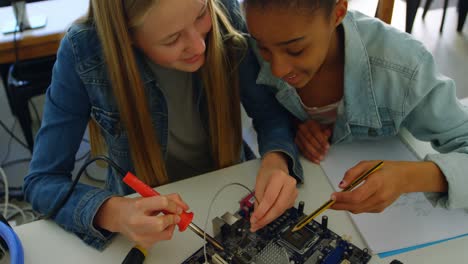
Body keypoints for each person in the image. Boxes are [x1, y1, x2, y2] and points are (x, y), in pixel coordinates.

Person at [24, 0, 303, 250]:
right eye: (172, 39)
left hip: (233, 193)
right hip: (147, 234)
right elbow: (42, 182)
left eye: (201, 14)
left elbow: (269, 115)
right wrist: (113, 212)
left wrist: (277, 161)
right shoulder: (82, 51)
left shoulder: (225, 12)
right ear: (128, 37)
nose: (199, 45)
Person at [243, 0, 468, 214]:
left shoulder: (404, 68)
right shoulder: (257, 36)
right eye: (264, 49)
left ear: (338, 13)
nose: (277, 70)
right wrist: (295, 125)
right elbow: (267, 112)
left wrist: (406, 177)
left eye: (296, 50)